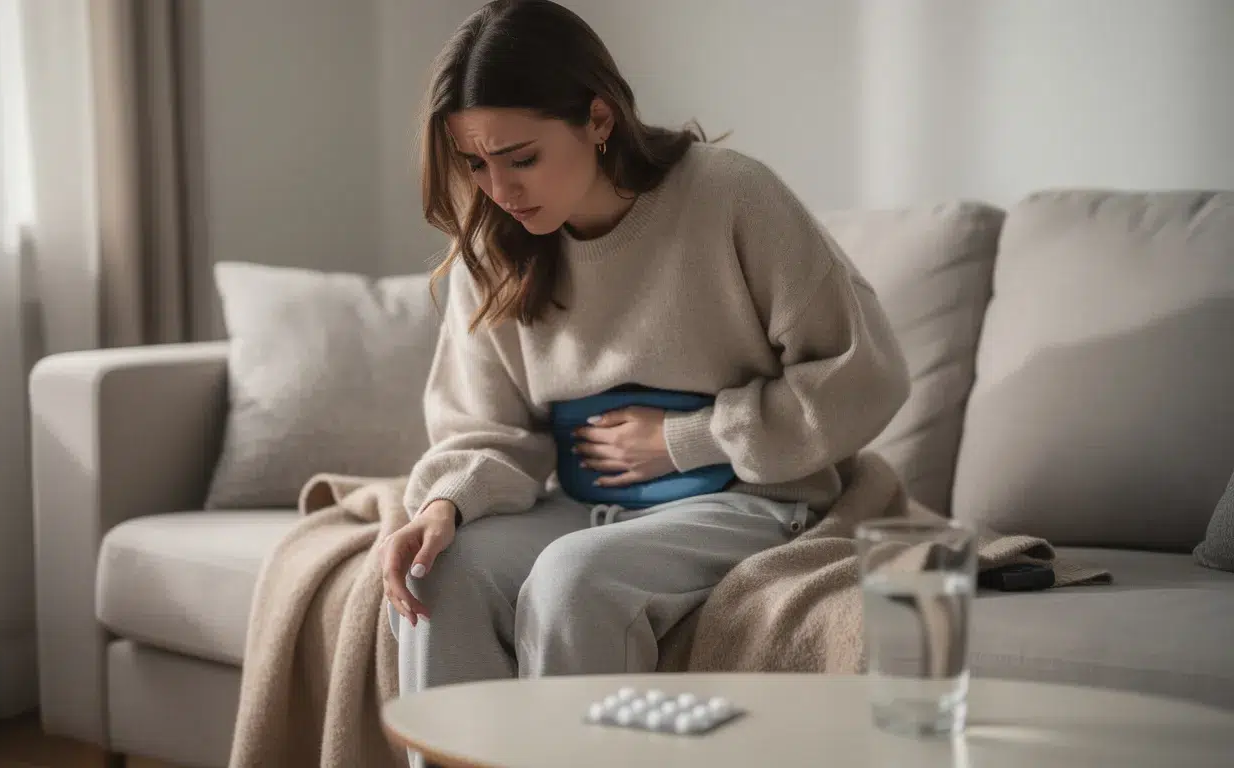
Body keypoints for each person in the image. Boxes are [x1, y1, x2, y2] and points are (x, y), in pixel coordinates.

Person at [381, 0, 909, 714]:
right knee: (432, 575)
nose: (500, 191)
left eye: (522, 159)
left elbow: (862, 373)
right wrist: (446, 502)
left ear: (599, 121)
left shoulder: (732, 195)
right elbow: (486, 427)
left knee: (573, 580)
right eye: (475, 165)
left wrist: (686, 439)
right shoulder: (495, 244)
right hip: (578, 501)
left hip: (744, 498)